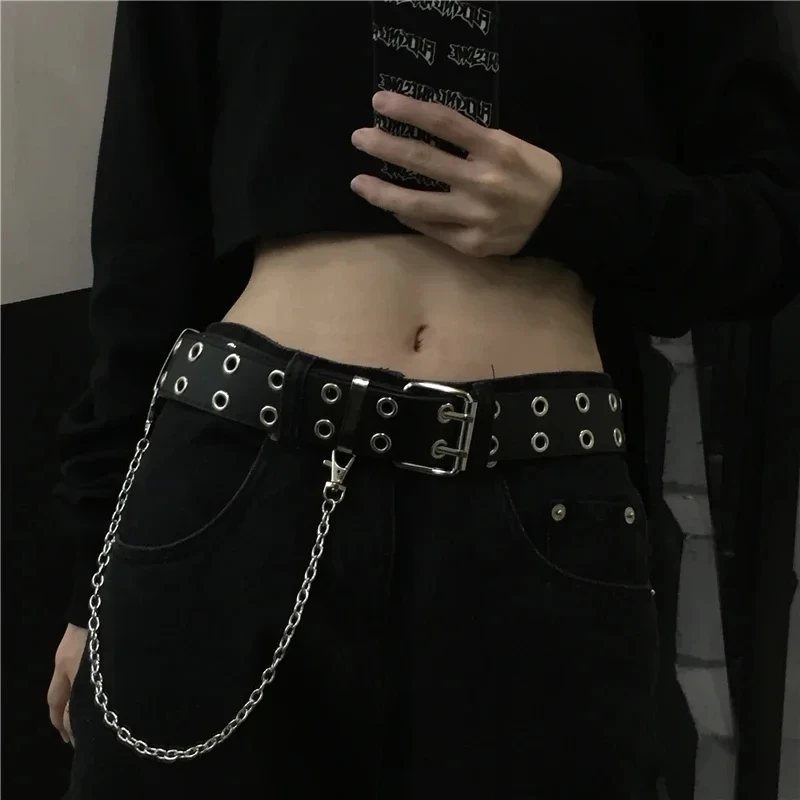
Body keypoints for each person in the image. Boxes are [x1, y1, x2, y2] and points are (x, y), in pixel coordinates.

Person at [48, 2, 799, 798]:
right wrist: (92, 575)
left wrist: (574, 207)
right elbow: (145, 235)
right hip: (237, 477)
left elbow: (773, 218)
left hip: (540, 503)